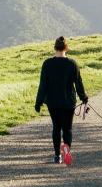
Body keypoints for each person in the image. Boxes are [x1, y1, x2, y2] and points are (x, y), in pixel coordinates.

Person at [35, 35, 88, 164]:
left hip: (53, 102)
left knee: (56, 128)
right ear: (66, 48)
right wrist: (83, 97)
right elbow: (78, 83)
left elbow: (43, 85)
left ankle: (57, 156)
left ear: (55, 48)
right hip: (68, 102)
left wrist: (38, 102)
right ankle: (67, 151)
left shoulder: (47, 64)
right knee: (67, 128)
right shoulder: (72, 64)